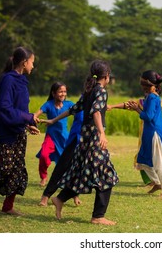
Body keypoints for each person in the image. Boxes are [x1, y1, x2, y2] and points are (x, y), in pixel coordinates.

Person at [43, 59, 118, 225]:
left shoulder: (89, 90)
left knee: (82, 173)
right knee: (106, 175)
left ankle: (60, 199)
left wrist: (53, 120)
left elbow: (73, 109)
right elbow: (97, 112)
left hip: (84, 138)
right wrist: (102, 134)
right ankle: (98, 216)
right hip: (94, 138)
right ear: (106, 76)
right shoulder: (101, 91)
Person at [0, 46, 40, 216]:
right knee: (6, 167)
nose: (33, 66)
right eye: (32, 62)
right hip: (6, 134)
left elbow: (19, 109)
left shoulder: (22, 81)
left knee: (18, 169)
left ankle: (7, 206)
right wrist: (28, 117)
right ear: (24, 62)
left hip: (19, 133)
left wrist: (28, 124)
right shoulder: (8, 80)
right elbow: (5, 108)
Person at [108, 99, 162, 187]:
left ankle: (157, 183)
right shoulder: (141, 102)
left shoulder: (157, 101)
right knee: (142, 158)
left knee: (149, 158)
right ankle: (152, 182)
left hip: (154, 134)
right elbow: (126, 105)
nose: (146, 92)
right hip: (145, 134)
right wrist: (112, 106)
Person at [127, 70, 162, 199]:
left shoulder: (152, 98)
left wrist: (137, 109)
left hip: (155, 133)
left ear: (148, 84)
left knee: (159, 163)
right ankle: (157, 183)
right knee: (142, 162)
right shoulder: (150, 97)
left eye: (143, 83)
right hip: (149, 133)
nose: (142, 86)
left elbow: (148, 116)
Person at [38, 110, 83, 207]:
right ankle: (46, 196)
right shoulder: (86, 98)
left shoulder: (98, 99)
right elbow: (73, 110)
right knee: (62, 167)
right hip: (76, 138)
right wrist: (53, 120)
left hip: (89, 140)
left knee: (80, 170)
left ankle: (74, 195)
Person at [34, 82, 74, 187]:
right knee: (43, 155)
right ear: (53, 93)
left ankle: (65, 181)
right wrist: (34, 119)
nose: (63, 94)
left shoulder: (69, 104)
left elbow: (81, 109)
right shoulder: (48, 104)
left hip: (64, 137)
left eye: (64, 91)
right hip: (51, 137)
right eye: (60, 91)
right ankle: (43, 177)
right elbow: (36, 114)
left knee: (65, 161)